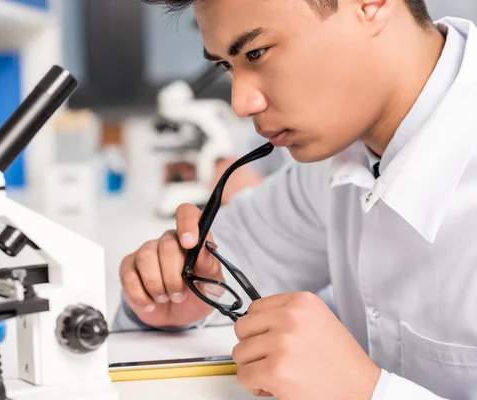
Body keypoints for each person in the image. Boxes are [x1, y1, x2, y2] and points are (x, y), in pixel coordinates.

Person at [116, 0, 477, 398]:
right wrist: (175, 294)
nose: (241, 104)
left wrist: (366, 393)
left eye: (256, 52)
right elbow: (220, 265)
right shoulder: (331, 164)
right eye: (227, 66)